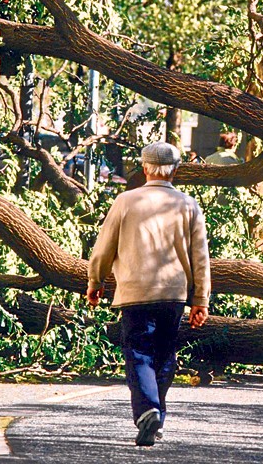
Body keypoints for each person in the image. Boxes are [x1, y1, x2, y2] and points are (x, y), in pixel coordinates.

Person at [87, 141, 211, 445]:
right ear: (176, 170)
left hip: (135, 293)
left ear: (144, 168)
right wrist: (201, 300)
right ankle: (155, 419)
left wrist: (95, 282)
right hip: (173, 295)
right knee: (165, 355)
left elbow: (103, 249)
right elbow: (201, 259)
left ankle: (148, 412)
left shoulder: (125, 201)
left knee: (139, 353)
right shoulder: (188, 205)